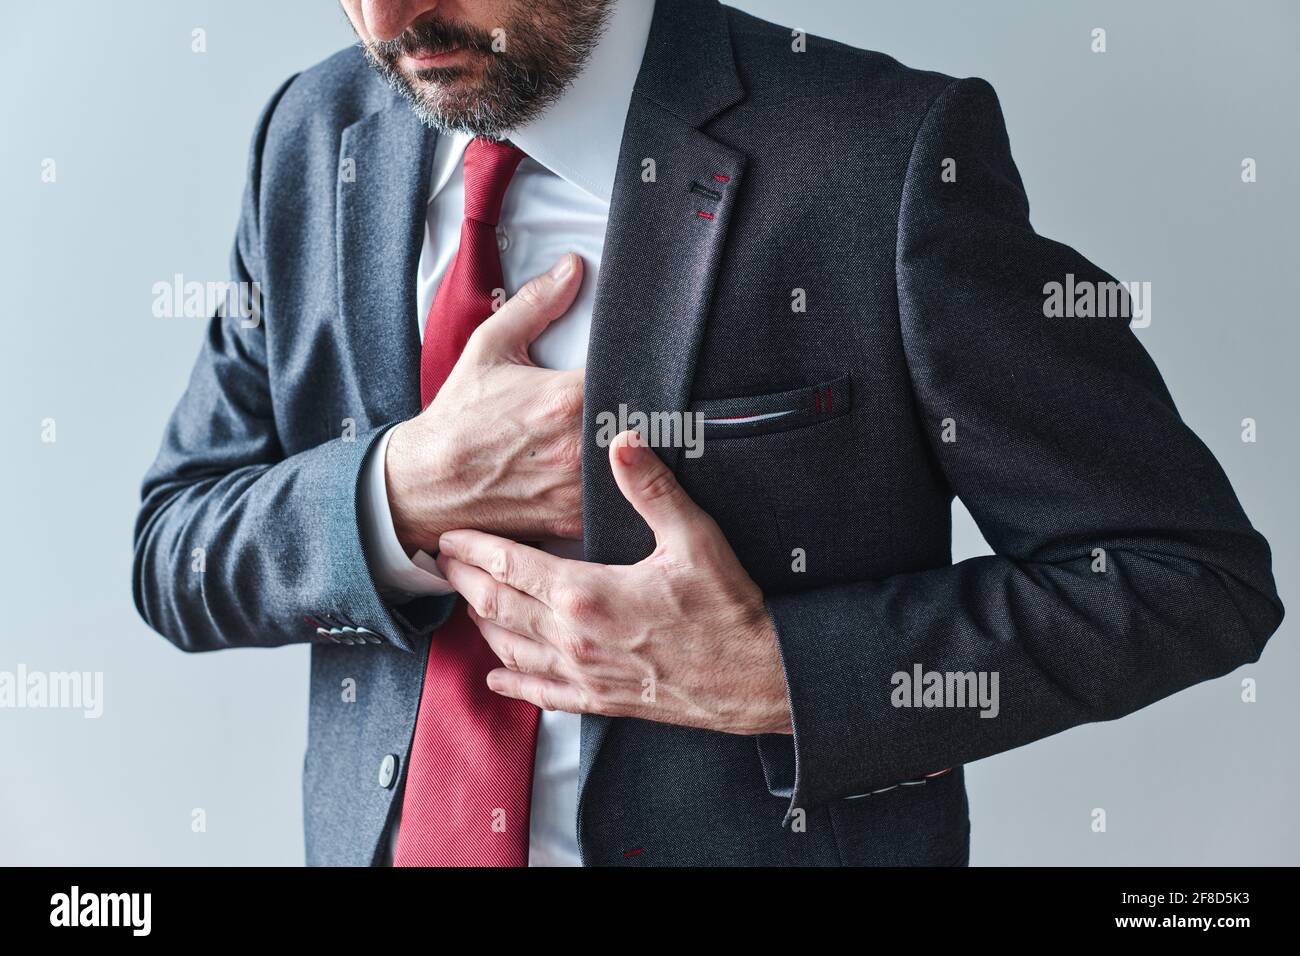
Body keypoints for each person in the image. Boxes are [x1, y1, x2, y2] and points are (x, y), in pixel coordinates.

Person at [133, 0, 1284, 866]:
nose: (388, 23)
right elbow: (173, 547)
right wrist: (400, 488)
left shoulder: (883, 157)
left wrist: (781, 674)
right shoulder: (310, 134)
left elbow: (1186, 577)